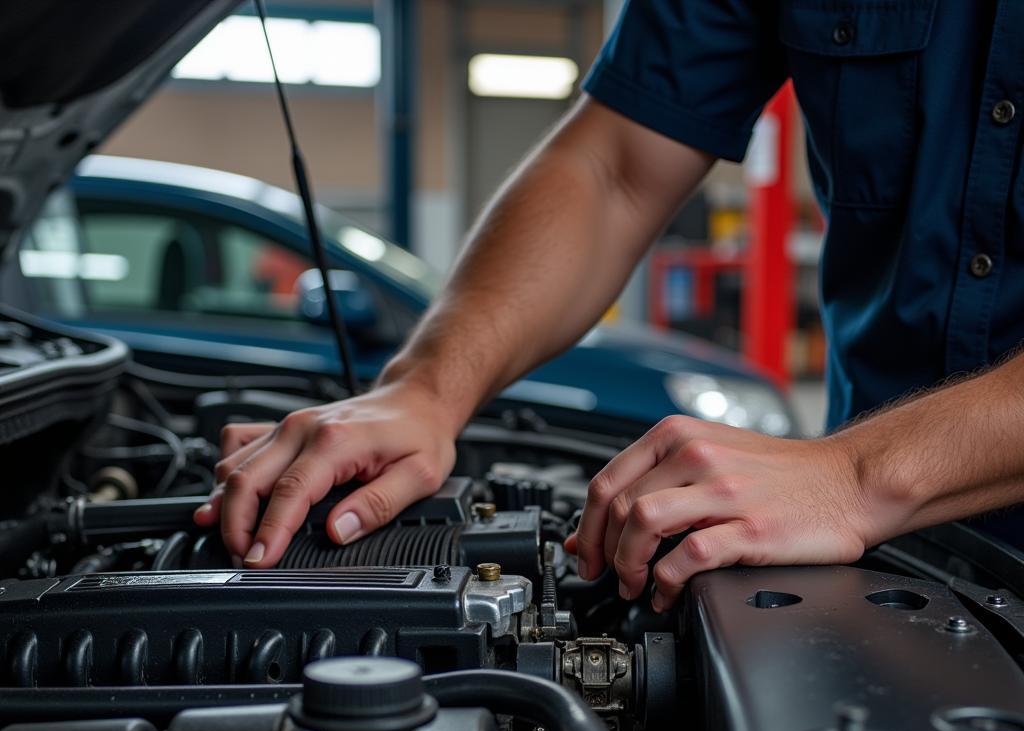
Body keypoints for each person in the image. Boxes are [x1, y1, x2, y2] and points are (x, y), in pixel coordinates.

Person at [195, 1, 1024, 610]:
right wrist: (425, 389)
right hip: (878, 563)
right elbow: (616, 167)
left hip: (868, 504)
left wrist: (853, 475)